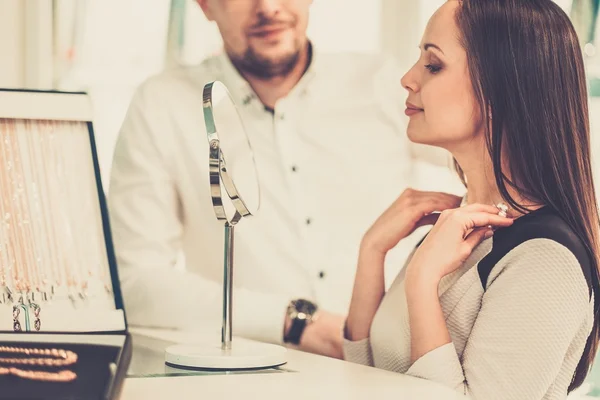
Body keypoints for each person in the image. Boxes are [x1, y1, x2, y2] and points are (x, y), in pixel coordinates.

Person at [107, 0, 461, 358]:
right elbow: (133, 282)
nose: (269, 7)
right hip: (256, 376)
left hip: (403, 366)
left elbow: (493, 161)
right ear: (205, 5)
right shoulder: (162, 104)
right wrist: (295, 323)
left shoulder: (387, 84)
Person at [344, 0, 600, 398]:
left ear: (501, 86)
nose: (408, 79)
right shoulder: (456, 231)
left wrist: (421, 283)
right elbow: (361, 382)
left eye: (433, 65)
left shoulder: (545, 259)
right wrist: (371, 253)